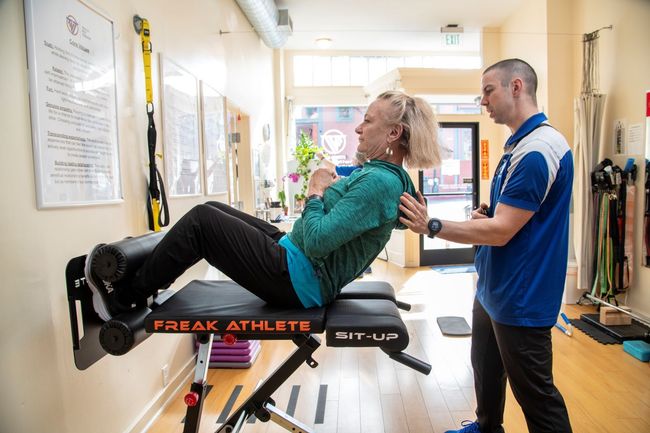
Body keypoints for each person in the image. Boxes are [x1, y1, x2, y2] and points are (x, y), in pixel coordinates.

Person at [86, 90, 441, 321]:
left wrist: (316, 191)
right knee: (214, 208)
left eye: (368, 120)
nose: (358, 129)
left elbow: (318, 241)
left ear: (394, 134)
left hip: (300, 280)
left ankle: (127, 298)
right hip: (297, 257)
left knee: (202, 221)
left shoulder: (380, 182)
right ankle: (144, 277)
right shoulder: (382, 177)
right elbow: (375, 219)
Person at [399, 59, 573, 433]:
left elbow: (502, 232)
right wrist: (489, 214)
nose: (483, 101)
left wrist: (431, 224)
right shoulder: (519, 144)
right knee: (486, 369)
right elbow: (512, 217)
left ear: (516, 87)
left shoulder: (537, 151)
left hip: (521, 296)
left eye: (488, 91)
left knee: (536, 396)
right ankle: (487, 427)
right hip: (494, 286)